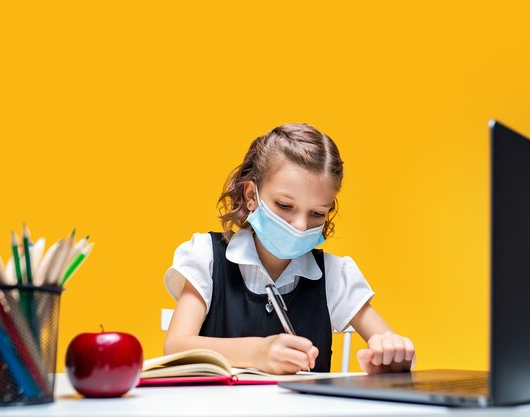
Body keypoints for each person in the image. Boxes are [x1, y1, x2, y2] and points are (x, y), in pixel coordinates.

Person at [164, 123, 416, 374]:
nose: (300, 225)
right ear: (251, 195)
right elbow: (175, 347)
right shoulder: (206, 257)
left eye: (317, 213)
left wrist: (393, 354)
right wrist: (257, 353)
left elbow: (390, 345)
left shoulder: (335, 275)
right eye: (285, 206)